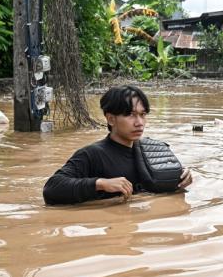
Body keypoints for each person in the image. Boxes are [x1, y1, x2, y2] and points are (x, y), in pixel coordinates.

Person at [42, 85, 193, 205]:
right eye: (130, 115)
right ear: (111, 119)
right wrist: (100, 183)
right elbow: (52, 188)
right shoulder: (93, 154)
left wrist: (181, 177)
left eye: (143, 115)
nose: (139, 123)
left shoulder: (153, 150)